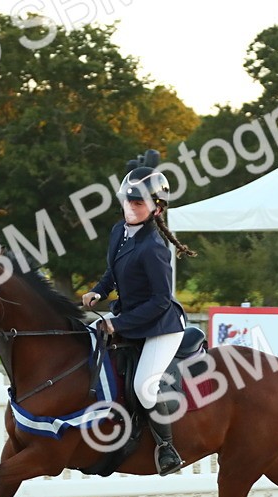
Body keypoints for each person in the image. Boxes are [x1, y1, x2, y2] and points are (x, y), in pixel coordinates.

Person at [82, 166, 197, 476]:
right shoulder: (119, 231)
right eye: (127, 201)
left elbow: (160, 301)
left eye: (139, 203)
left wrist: (118, 324)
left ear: (156, 208)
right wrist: (98, 290)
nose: (131, 208)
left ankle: (166, 449)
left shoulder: (155, 248)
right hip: (129, 316)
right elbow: (113, 271)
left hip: (162, 326)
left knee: (144, 387)